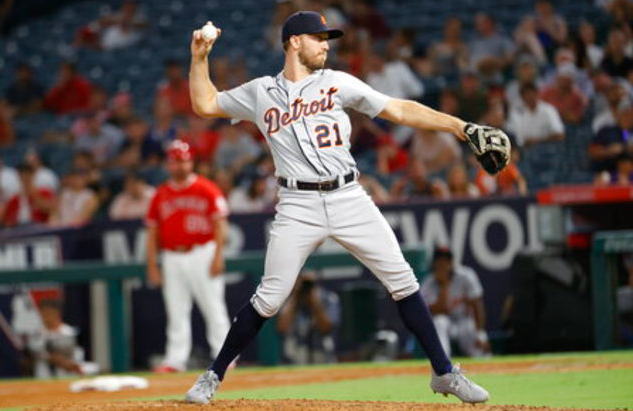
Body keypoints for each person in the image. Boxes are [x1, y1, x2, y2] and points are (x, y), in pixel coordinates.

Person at [184, 11, 508, 404]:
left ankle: (444, 373)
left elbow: (398, 109)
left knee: (403, 281)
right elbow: (205, 104)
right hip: (297, 204)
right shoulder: (260, 92)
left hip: (348, 196)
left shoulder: (338, 82)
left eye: (327, 38)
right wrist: (200, 57)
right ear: (293, 42)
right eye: (318, 37)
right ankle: (212, 377)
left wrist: (460, 127)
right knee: (269, 298)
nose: (326, 44)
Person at [145, 141, 231, 374]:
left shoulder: (207, 188)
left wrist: (218, 256)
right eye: (174, 161)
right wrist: (152, 265)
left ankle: (225, 357)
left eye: (183, 160)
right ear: (168, 164)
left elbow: (221, 225)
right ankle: (175, 359)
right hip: (172, 255)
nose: (179, 166)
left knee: (213, 307)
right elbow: (152, 231)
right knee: (176, 309)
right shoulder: (160, 194)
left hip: (202, 251)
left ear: (191, 162)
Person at [421, 247, 489, 358]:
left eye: (446, 260)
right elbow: (441, 309)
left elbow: (477, 306)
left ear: (451, 262)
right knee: (439, 322)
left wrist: (480, 334)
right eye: (440, 261)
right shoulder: (429, 283)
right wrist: (444, 284)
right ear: (434, 263)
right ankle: (443, 361)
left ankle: (483, 362)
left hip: (464, 320)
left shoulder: (466, 276)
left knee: (473, 335)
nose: (443, 264)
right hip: (445, 322)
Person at [277, 270, 340, 365]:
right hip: (295, 354)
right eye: (303, 283)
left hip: (321, 352)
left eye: (309, 284)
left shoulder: (328, 298)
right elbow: (282, 327)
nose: (306, 288)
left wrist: (315, 303)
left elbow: (326, 328)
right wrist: (295, 297)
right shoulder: (290, 300)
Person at [20, 299, 85, 379]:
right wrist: (53, 359)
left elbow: (78, 360)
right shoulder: (36, 336)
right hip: (43, 381)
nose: (45, 316)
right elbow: (32, 356)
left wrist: (69, 364)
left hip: (67, 379)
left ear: (57, 313)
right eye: (42, 313)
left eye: (48, 313)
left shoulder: (71, 334)